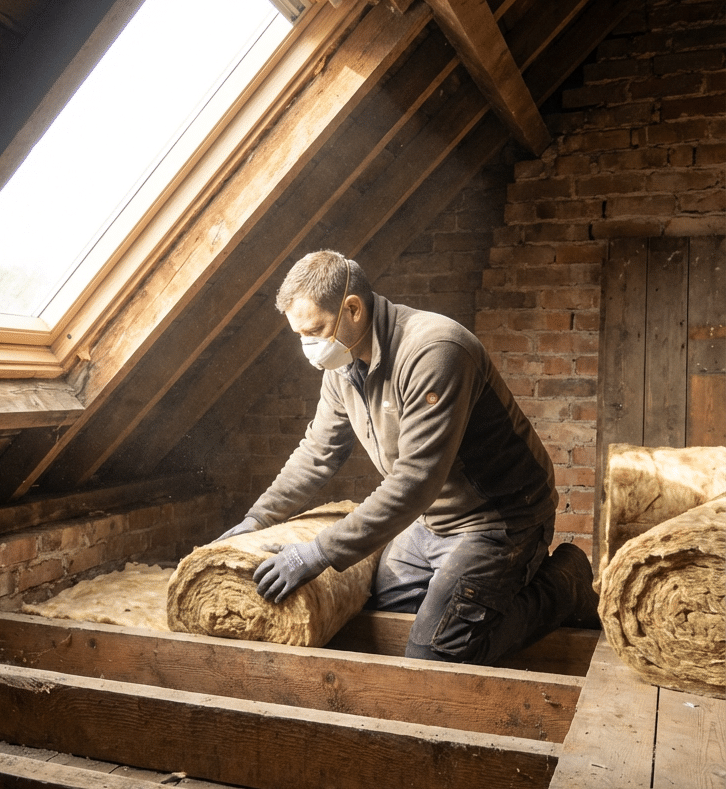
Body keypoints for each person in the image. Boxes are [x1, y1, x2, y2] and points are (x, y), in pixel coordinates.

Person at [218, 249, 597, 663]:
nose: (310, 346)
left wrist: (316, 553)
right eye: (300, 335)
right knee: (381, 616)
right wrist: (258, 519)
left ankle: (564, 584)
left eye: (316, 330)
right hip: (431, 520)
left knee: (435, 652)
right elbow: (317, 451)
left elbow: (414, 480)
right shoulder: (342, 368)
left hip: (499, 518)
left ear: (353, 308)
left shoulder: (434, 350)